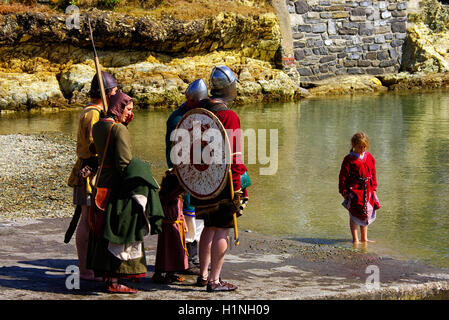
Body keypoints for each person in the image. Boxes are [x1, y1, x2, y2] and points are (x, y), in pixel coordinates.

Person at [87, 90, 164, 294]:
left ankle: (108, 277)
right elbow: (124, 163)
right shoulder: (119, 129)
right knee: (120, 230)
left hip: (100, 183)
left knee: (104, 231)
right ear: (118, 108)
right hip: (116, 186)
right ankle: (114, 280)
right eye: (128, 109)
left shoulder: (98, 126)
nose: (130, 113)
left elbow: (99, 149)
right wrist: (141, 176)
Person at [193, 66, 249, 292]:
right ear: (229, 88)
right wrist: (237, 187)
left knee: (208, 227)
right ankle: (215, 281)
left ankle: (203, 275)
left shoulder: (199, 112)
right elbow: (234, 157)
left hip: (202, 181)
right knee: (222, 229)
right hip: (223, 182)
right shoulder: (228, 115)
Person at [67, 71, 118, 281]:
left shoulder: (99, 111)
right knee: (87, 221)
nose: (116, 93)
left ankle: (93, 266)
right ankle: (85, 269)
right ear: (106, 93)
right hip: (89, 173)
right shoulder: (92, 113)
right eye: (113, 90)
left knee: (94, 220)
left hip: (96, 173)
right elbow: (92, 147)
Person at [165, 79, 208, 274]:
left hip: (199, 175)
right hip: (185, 174)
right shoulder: (178, 119)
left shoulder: (198, 115)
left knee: (198, 216)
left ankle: (193, 255)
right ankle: (188, 257)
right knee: (188, 215)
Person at [339, 132, 380, 244]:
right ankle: (355, 239)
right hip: (354, 191)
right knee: (354, 213)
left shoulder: (369, 157)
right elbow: (343, 176)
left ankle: (364, 238)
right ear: (353, 145)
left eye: (364, 147)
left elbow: (373, 173)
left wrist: (374, 187)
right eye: (360, 147)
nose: (362, 149)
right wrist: (343, 191)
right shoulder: (349, 159)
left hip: (368, 190)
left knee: (366, 213)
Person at [152, 169, 189, 284]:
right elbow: (176, 192)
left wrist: (185, 224)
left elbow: (181, 212)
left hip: (177, 227)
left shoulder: (177, 198)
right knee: (166, 251)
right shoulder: (166, 197)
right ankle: (158, 274)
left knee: (177, 251)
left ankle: (171, 273)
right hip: (168, 228)